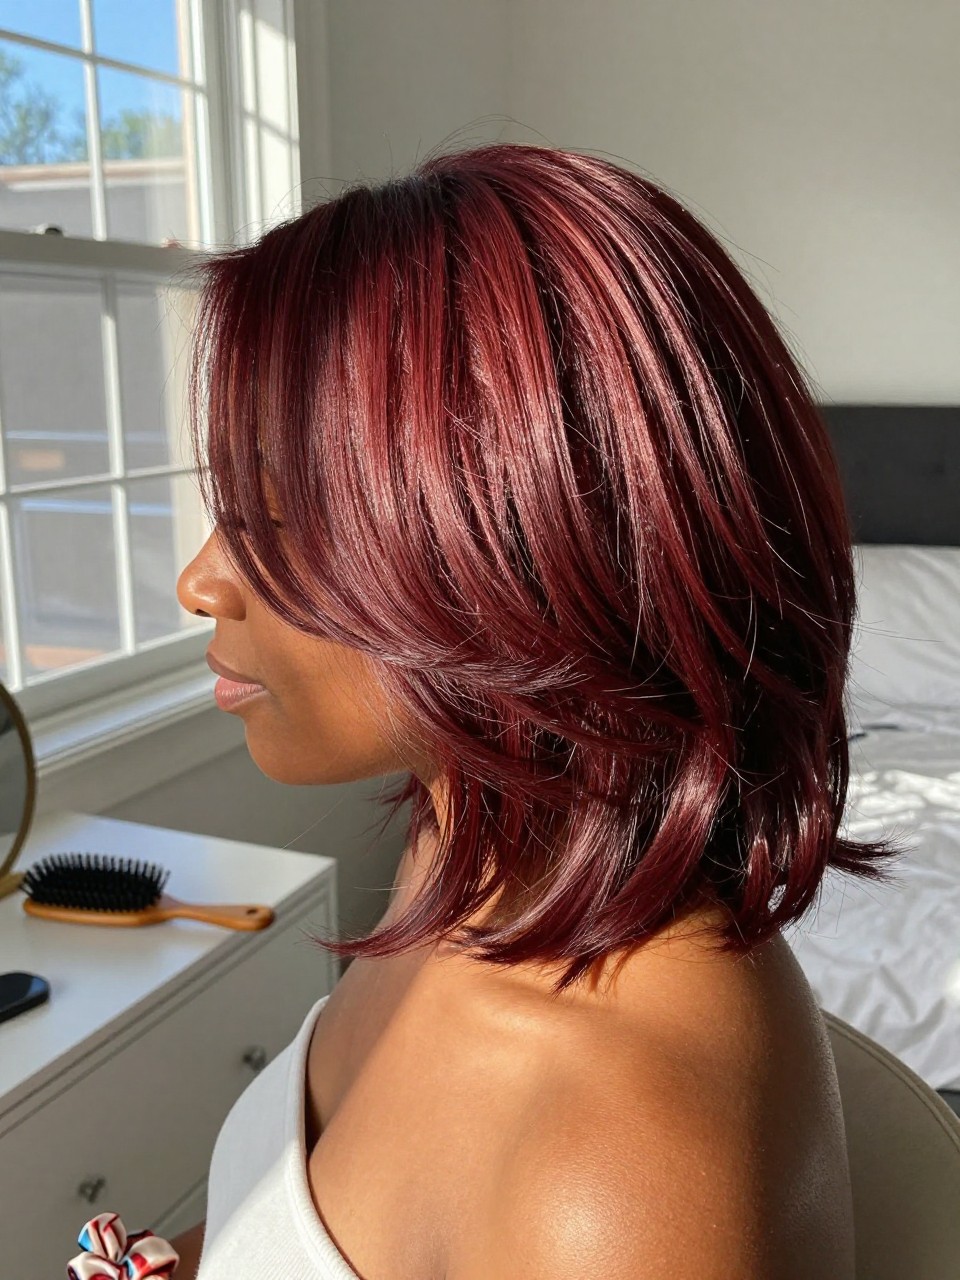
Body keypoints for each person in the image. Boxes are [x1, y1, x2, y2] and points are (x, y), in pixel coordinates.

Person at [173, 141, 896, 1278]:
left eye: (278, 511)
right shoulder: (470, 841)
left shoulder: (615, 1173)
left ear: (519, 543)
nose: (202, 580)